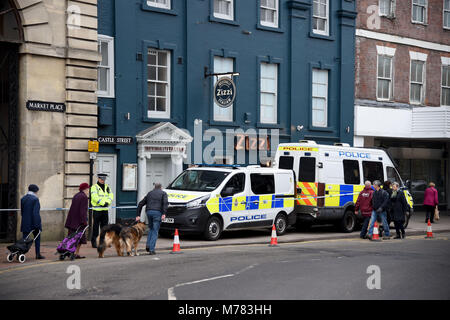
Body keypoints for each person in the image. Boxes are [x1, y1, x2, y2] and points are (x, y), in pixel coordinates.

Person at [136, 183, 169, 255]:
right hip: (157, 213)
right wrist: (164, 214)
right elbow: (165, 203)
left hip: (149, 212)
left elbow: (140, 204)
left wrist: (138, 215)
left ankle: (148, 245)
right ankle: (151, 249)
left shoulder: (149, 193)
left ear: (154, 187)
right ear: (161, 187)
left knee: (151, 228)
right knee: (155, 230)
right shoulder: (163, 193)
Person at [65, 183, 89, 258]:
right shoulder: (84, 197)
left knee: (71, 237)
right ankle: (76, 253)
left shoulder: (76, 195)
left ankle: (71, 251)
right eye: (88, 189)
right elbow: (83, 211)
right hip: (79, 222)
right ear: (85, 189)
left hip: (72, 221)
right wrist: (84, 221)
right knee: (79, 238)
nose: (89, 191)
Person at [20, 184, 44, 259]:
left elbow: (22, 211)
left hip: (25, 222)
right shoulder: (35, 199)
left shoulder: (23, 198)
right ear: (35, 191)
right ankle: (37, 254)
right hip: (34, 223)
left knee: (24, 239)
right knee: (37, 239)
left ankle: (20, 253)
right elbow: (35, 213)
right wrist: (37, 225)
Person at [90, 173, 114, 248]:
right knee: (96, 227)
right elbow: (94, 197)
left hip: (105, 209)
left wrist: (108, 202)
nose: (103, 180)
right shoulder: (94, 187)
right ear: (98, 178)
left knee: (105, 227)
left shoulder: (107, 187)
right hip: (97, 209)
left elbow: (111, 196)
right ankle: (94, 242)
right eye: (101, 179)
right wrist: (102, 203)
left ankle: (103, 241)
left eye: (104, 179)